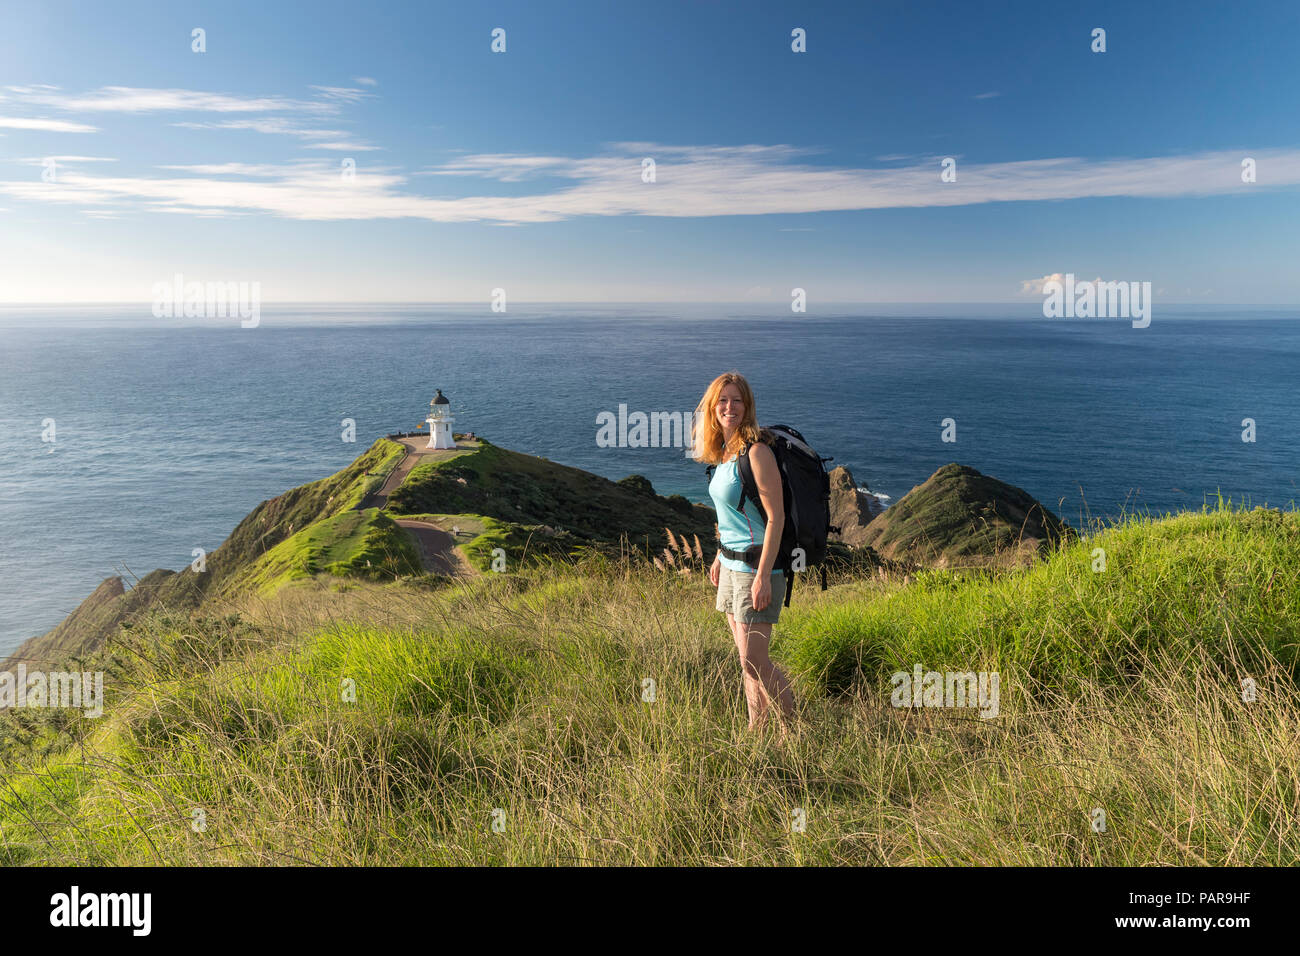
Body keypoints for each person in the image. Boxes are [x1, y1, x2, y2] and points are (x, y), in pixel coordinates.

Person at [693, 371, 796, 734]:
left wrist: (765, 574)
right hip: (731, 565)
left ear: (747, 406)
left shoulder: (757, 452)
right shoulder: (722, 455)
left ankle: (795, 729)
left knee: (755, 659)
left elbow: (776, 518)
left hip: (757, 567)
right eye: (722, 400)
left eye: (737, 400)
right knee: (745, 663)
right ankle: (757, 730)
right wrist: (719, 556)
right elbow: (731, 515)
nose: (729, 407)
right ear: (712, 408)